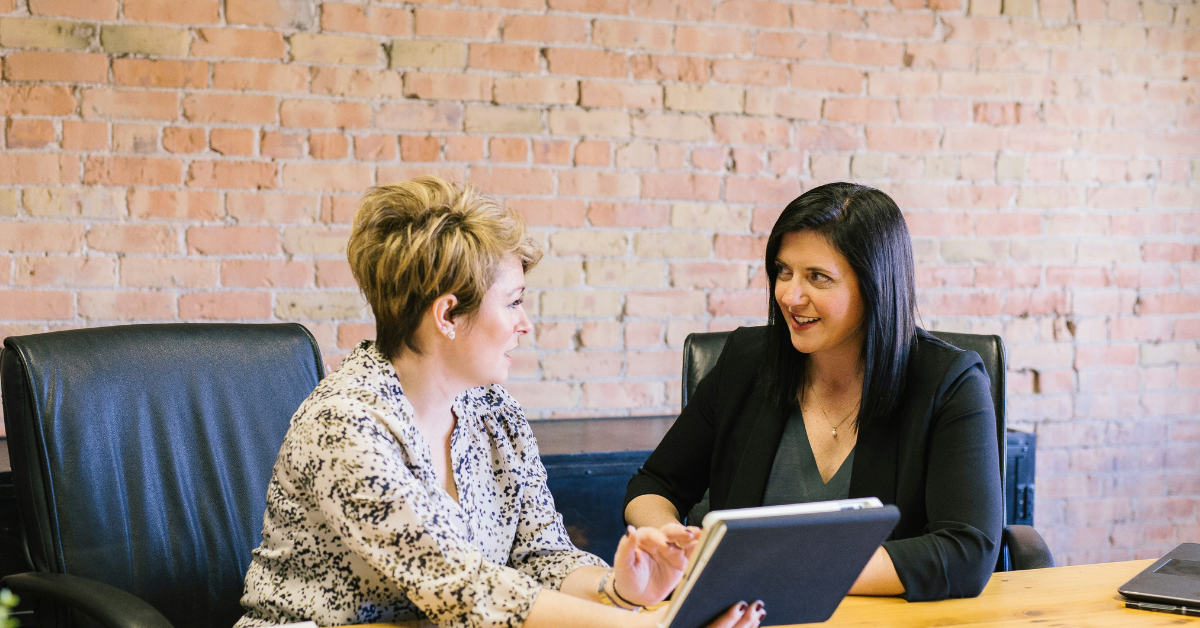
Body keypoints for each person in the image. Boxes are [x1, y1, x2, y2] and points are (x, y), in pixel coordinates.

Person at [235, 176, 765, 628]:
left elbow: (541, 557)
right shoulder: (345, 424)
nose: (525, 324)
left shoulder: (494, 412)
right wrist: (646, 623)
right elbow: (462, 587)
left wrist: (621, 589)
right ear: (447, 315)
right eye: (512, 302)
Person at [624, 182, 1003, 602]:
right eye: (783, 272)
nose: (790, 295)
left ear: (875, 285)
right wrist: (668, 540)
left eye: (818, 278)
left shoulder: (949, 382)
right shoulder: (746, 362)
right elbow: (654, 485)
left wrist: (781, 570)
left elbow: (967, 550)